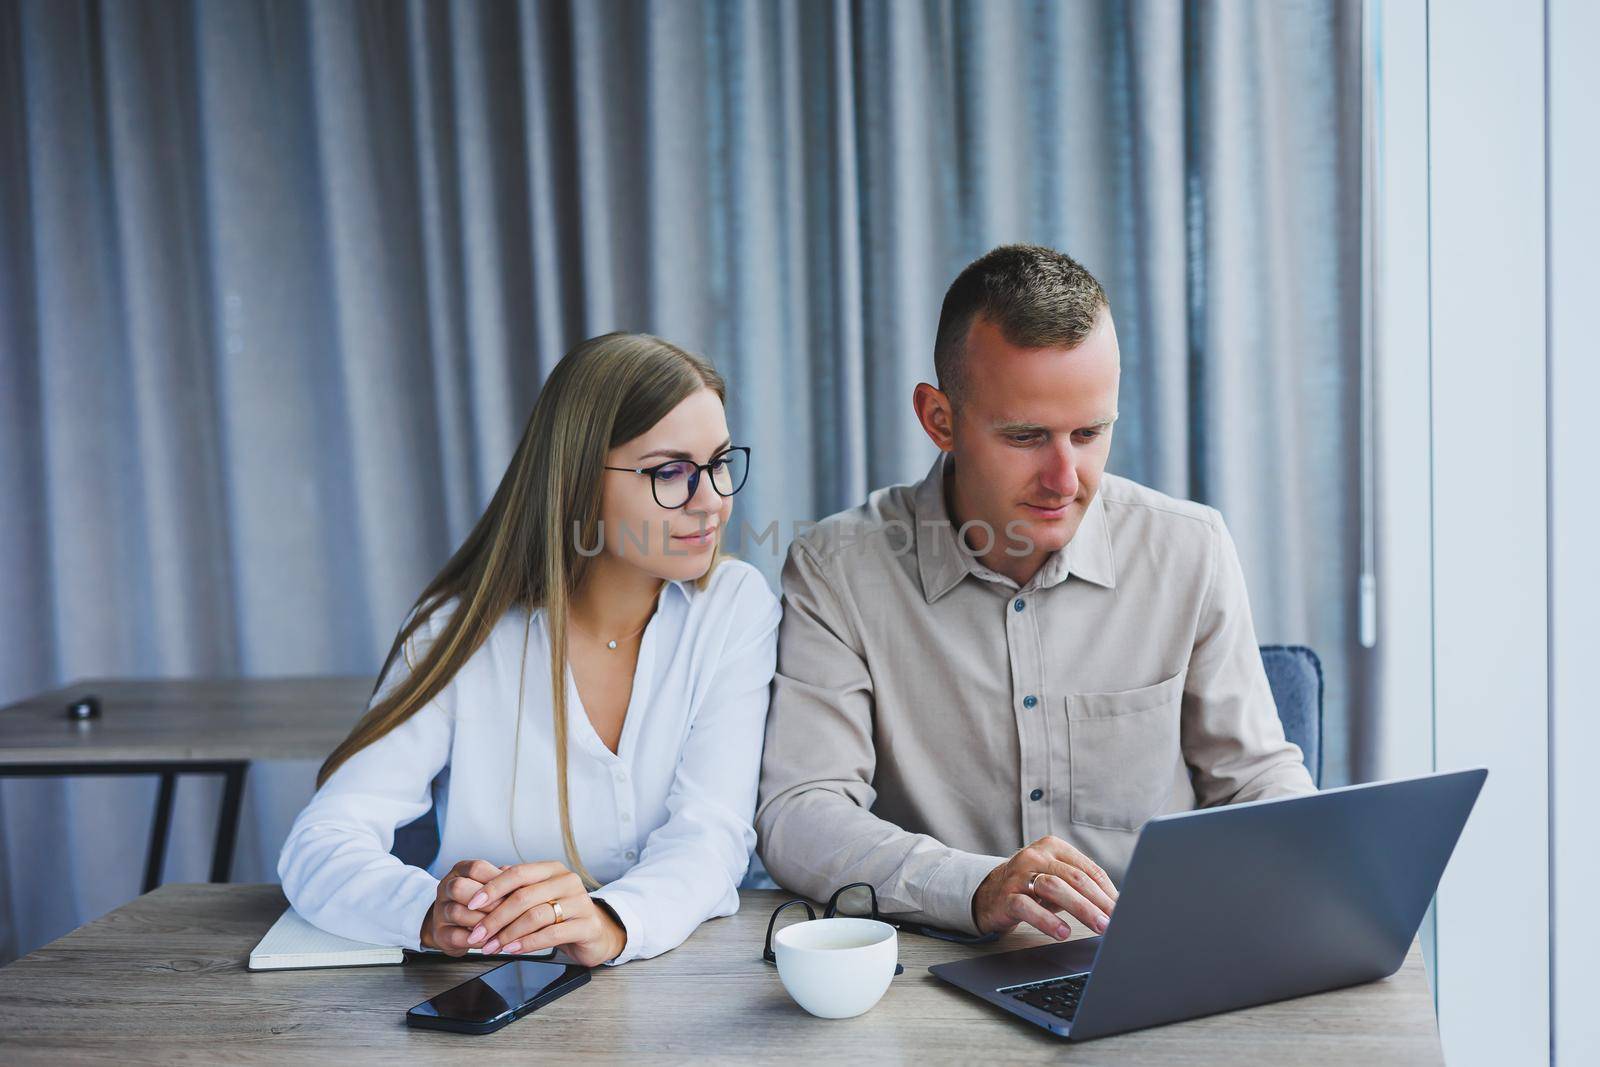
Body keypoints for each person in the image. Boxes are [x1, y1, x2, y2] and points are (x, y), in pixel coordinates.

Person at [756, 244, 1314, 946]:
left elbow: (1256, 781)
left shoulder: (1190, 549)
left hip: (1150, 968)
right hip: (939, 984)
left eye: (1090, 433)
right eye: (1025, 436)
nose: (1065, 477)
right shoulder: (837, 569)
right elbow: (799, 813)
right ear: (939, 418)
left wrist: (1313, 868)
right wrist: (974, 885)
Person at [279, 332, 779, 966]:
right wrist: (427, 913)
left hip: (687, 986)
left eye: (719, 463)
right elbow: (321, 842)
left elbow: (712, 832)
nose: (713, 500)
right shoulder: (458, 633)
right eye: (670, 473)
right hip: (490, 988)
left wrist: (612, 923)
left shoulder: (735, 606)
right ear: (575, 478)